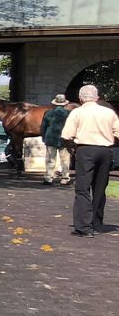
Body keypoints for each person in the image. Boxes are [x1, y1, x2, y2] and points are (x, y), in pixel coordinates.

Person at [61, 84, 119, 237]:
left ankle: (83, 226)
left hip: (85, 150)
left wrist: (70, 149)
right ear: (97, 97)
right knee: (100, 187)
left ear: (80, 98)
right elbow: (118, 133)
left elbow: (66, 136)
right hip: (106, 150)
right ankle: (97, 223)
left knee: (83, 188)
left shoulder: (77, 112)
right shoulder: (109, 112)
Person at [39, 93, 72, 185]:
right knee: (65, 159)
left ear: (55, 103)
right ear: (65, 103)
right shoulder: (68, 113)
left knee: (50, 159)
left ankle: (49, 177)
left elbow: (43, 126)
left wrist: (43, 137)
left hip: (50, 137)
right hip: (64, 138)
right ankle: (65, 178)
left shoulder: (48, 112)